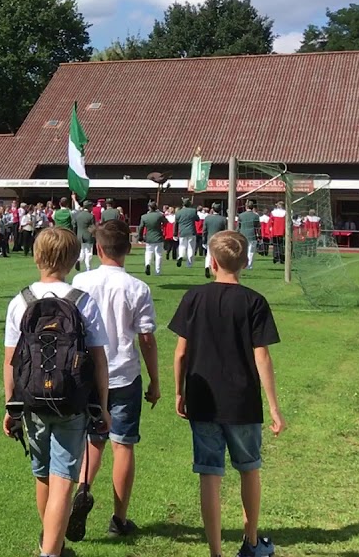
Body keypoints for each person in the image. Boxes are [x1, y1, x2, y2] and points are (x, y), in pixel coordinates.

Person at [170, 231, 285, 557]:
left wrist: (179, 391)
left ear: (212, 262)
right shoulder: (254, 301)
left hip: (203, 397)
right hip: (242, 400)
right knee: (249, 468)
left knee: (209, 473)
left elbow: (181, 353)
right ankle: (251, 542)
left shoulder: (194, 297)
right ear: (246, 262)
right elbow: (262, 356)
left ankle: (215, 552)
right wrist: (274, 407)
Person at [4, 228, 111, 557]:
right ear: (74, 259)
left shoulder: (20, 301)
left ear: (36, 256)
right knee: (63, 480)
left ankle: (54, 544)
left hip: (32, 399)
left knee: (43, 476)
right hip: (71, 400)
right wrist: (103, 405)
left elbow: (11, 361)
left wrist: (10, 405)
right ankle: (51, 552)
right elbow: (99, 360)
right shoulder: (82, 300)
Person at [67, 219, 160, 541]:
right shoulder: (137, 288)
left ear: (98, 248)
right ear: (128, 249)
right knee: (124, 444)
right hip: (123, 372)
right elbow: (146, 338)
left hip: (89, 372)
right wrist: (155, 380)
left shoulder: (81, 281)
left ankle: (82, 490)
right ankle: (119, 517)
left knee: (93, 441)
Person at [202, 204, 230, 279]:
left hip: (210, 239)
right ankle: (217, 269)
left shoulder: (207, 218)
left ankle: (207, 266)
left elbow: (204, 231)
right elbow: (225, 231)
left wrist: (204, 240)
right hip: (219, 239)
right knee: (218, 255)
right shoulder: (223, 219)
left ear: (213, 209)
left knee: (209, 254)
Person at [139, 202, 166, 276]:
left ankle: (147, 264)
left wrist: (140, 237)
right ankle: (158, 271)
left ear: (149, 208)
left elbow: (141, 227)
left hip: (149, 237)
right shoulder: (159, 215)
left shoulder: (144, 217)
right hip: (158, 236)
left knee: (148, 252)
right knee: (158, 254)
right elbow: (166, 222)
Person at [176, 198, 200, 268]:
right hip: (191, 231)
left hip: (182, 232)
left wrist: (175, 233)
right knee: (191, 248)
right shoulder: (193, 211)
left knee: (182, 246)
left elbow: (176, 223)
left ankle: (180, 256)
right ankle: (189, 264)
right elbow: (197, 219)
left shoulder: (178, 212)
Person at [73, 200, 96, 271]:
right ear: (89, 207)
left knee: (82, 251)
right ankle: (88, 268)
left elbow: (74, 225)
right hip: (88, 236)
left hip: (80, 235)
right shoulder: (91, 216)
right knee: (88, 252)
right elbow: (93, 227)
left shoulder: (78, 215)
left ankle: (79, 260)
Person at [238, 202, 260, 270]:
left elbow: (238, 227)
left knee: (243, 251)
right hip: (252, 235)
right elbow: (258, 227)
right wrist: (259, 236)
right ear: (253, 207)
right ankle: (249, 266)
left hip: (242, 235)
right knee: (251, 252)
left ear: (246, 207)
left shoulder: (241, 215)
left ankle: (242, 264)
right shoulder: (256, 216)